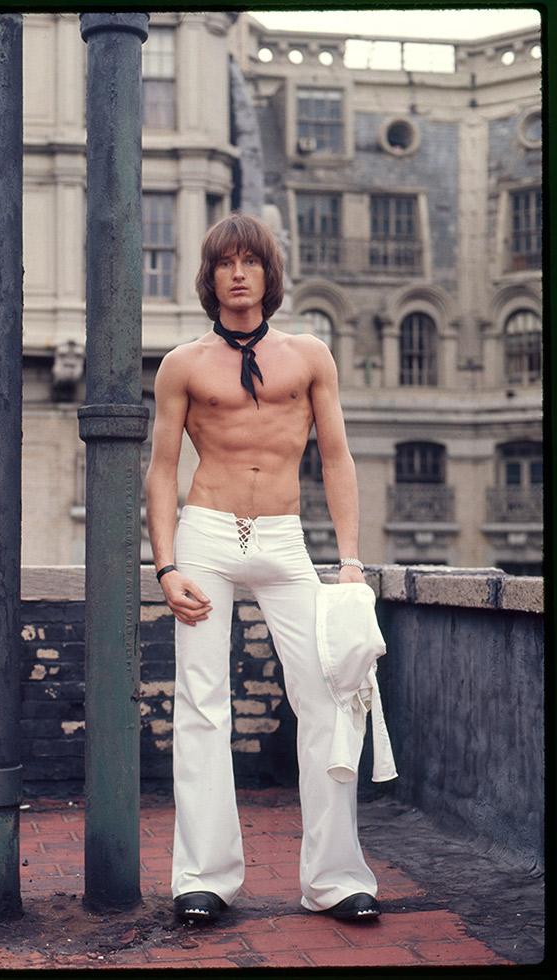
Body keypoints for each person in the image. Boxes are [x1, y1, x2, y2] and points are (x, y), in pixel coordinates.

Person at [145, 212, 381, 925]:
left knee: (330, 695)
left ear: (269, 276)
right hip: (208, 533)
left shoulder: (310, 355)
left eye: (250, 261)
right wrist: (165, 566)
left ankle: (335, 879)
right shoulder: (182, 363)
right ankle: (204, 877)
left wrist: (349, 560)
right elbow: (160, 471)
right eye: (226, 262)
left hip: (284, 538)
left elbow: (336, 456)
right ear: (210, 276)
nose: (238, 272)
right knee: (201, 703)